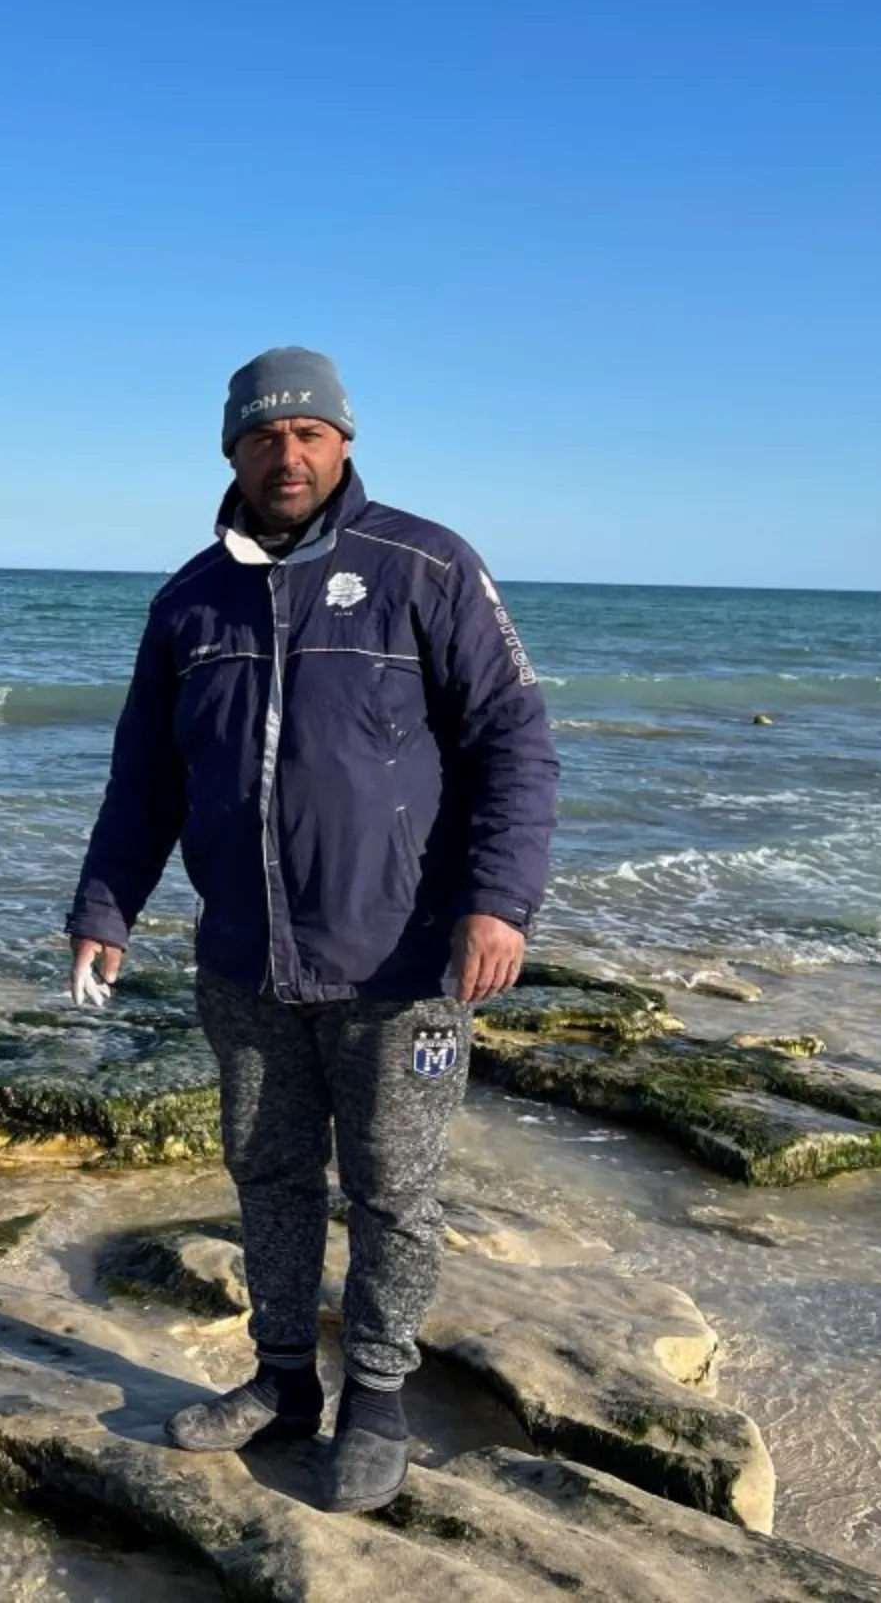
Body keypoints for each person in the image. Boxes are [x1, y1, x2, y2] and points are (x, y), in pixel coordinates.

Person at [64, 346, 558, 1513]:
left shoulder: (425, 565)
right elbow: (146, 775)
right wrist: (105, 907)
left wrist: (500, 901)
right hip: (243, 956)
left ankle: (377, 1397)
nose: (287, 455)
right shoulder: (188, 598)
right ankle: (283, 1381)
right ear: (230, 449)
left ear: (343, 442)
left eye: (309, 434)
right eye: (262, 435)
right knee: (270, 1172)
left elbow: (514, 745)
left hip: (404, 961)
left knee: (394, 1184)